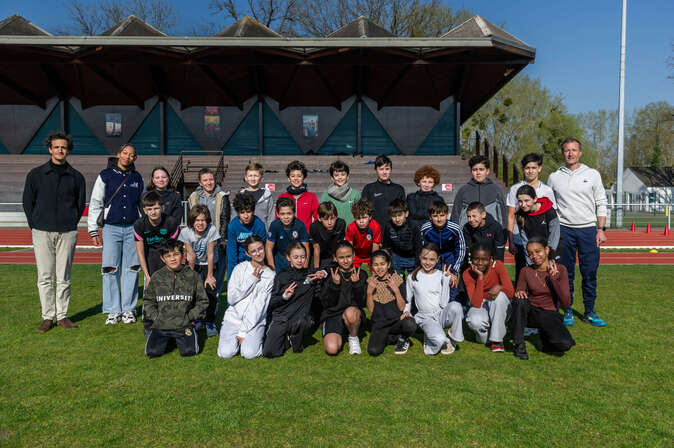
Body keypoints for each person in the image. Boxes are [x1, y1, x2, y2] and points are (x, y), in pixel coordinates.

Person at [23, 131, 86, 332]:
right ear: (50, 149)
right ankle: (48, 316)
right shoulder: (35, 174)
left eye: (63, 147)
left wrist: (70, 221)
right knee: (45, 277)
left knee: (64, 277)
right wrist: (35, 223)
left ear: (68, 150)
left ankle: (62, 316)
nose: (60, 150)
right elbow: (28, 202)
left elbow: (80, 204)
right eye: (56, 147)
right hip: (41, 231)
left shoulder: (77, 177)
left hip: (67, 232)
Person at [547, 137, 608, 327]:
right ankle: (567, 309)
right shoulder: (554, 177)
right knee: (566, 274)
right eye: (567, 150)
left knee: (589, 273)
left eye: (574, 150)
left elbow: (601, 202)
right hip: (564, 230)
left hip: (588, 230)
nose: (570, 153)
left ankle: (589, 311)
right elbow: (549, 205)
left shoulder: (592, 174)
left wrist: (601, 229)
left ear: (580, 153)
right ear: (563, 153)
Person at [88, 144, 144, 325]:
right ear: (119, 154)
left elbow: (142, 205)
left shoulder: (137, 177)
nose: (128, 157)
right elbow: (96, 202)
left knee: (132, 269)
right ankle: (113, 310)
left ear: (135, 158)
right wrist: (93, 230)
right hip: (111, 228)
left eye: (132, 155)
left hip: (132, 229)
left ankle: (128, 309)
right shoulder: (105, 175)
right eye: (125, 153)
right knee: (109, 269)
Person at [512, 236, 576, 360]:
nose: (534, 256)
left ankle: (544, 337)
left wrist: (554, 279)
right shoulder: (525, 271)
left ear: (546, 250)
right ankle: (519, 344)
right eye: (530, 253)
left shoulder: (561, 269)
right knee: (519, 300)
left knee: (565, 344)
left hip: (550, 314)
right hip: (532, 312)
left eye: (538, 251)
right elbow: (519, 290)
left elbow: (566, 302)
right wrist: (520, 291)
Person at [143, 240, 209, 358]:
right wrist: (155, 316)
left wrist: (190, 317)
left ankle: (182, 336)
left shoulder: (193, 275)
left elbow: (203, 301)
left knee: (189, 351)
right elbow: (148, 301)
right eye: (168, 256)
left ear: (183, 255)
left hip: (183, 324)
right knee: (152, 353)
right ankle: (161, 335)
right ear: (163, 259)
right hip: (161, 324)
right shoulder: (157, 276)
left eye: (176, 254)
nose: (173, 259)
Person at [263, 243, 326, 357]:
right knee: (269, 352)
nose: (299, 260)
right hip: (282, 318)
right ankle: (286, 339)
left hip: (301, 318)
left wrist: (323, 275)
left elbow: (330, 268)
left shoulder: (310, 275)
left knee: (304, 321)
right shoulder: (281, 276)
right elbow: (271, 302)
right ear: (288, 257)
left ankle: (296, 335)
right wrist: (284, 296)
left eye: (302, 257)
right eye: (295, 257)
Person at [218, 236, 275, 359]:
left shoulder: (271, 276)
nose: (258, 253)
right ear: (247, 254)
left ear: (264, 248)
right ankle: (234, 342)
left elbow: (260, 306)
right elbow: (231, 298)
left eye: (260, 249)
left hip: (255, 321)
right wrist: (252, 280)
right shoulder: (239, 269)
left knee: (250, 353)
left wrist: (243, 332)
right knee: (226, 353)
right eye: (253, 251)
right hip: (233, 319)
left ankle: (249, 340)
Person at [406, 243, 464, 355]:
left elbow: (443, 304)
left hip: (440, 314)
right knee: (440, 339)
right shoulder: (412, 277)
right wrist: (406, 311)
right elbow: (408, 300)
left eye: (432, 259)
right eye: (425, 258)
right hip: (425, 318)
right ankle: (431, 337)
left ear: (437, 260)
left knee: (456, 306)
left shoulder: (442, 275)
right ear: (420, 257)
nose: (428, 263)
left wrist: (446, 281)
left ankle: (453, 339)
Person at [506, 153, 556, 283]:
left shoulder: (547, 190)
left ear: (539, 168)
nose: (530, 171)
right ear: (523, 169)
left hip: (542, 239)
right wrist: (511, 240)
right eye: (527, 168)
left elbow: (552, 218)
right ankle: (521, 295)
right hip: (520, 238)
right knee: (522, 271)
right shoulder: (514, 189)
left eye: (533, 167)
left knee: (544, 272)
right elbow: (511, 215)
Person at [462, 243, 514, 353]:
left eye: (484, 259)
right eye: (476, 259)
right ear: (471, 259)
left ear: (491, 259)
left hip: (499, 306)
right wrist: (480, 277)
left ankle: (497, 341)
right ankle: (491, 333)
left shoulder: (498, 266)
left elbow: (511, 292)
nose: (480, 263)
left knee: (499, 297)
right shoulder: (467, 274)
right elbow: (476, 303)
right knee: (474, 320)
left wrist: (500, 287)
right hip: (481, 304)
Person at [320, 241, 368, 355]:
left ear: (354, 255)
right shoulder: (330, 275)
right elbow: (327, 304)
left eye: (348, 256)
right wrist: (334, 285)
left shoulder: (361, 274)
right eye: (341, 257)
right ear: (335, 258)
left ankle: (353, 337)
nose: (345, 261)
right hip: (333, 314)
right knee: (331, 349)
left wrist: (357, 285)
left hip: (353, 315)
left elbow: (362, 303)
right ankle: (341, 332)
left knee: (350, 312)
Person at [179, 205, 220, 338]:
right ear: (192, 221)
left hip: (209, 263)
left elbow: (210, 254)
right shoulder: (186, 232)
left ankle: (209, 321)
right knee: (193, 292)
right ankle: (196, 319)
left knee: (210, 290)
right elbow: (191, 255)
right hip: (194, 263)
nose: (200, 223)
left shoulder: (212, 230)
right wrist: (191, 277)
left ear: (207, 221)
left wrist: (209, 275)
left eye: (203, 220)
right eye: (197, 220)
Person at [188, 168, 230, 295]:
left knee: (217, 272)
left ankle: (214, 298)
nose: (208, 182)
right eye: (205, 180)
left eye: (211, 179)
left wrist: (221, 239)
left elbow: (224, 219)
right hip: (199, 241)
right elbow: (191, 219)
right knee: (200, 272)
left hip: (216, 241)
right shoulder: (194, 196)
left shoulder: (222, 196)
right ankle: (200, 298)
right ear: (200, 182)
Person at [366, 251, 417, 356]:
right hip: (379, 324)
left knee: (410, 323)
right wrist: (369, 292)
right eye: (376, 265)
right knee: (373, 351)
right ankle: (393, 338)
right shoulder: (370, 282)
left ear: (388, 265)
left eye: (382, 264)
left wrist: (396, 290)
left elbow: (402, 307)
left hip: (396, 322)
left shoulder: (397, 280)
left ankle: (402, 337)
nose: (379, 268)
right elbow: (371, 309)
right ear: (372, 266)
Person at [418, 201, 466, 302]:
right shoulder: (426, 228)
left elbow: (461, 248)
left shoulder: (455, 228)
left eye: (442, 215)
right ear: (430, 217)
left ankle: (453, 303)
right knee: (434, 280)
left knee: (451, 278)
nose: (439, 219)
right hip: (433, 256)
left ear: (447, 215)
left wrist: (455, 269)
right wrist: (428, 263)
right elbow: (423, 248)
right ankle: (435, 303)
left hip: (449, 255)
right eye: (435, 216)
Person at [134, 191, 180, 286]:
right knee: (152, 285)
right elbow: (140, 252)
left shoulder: (171, 222)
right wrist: (147, 276)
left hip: (166, 253)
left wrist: (172, 269)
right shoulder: (139, 225)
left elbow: (173, 250)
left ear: (162, 208)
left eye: (156, 208)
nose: (153, 212)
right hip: (149, 255)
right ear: (145, 210)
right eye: (149, 209)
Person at [450, 155, 506, 228]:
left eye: (481, 169)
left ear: (487, 171)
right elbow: (455, 214)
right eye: (474, 170)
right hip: (467, 233)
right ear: (471, 171)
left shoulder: (496, 190)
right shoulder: (463, 190)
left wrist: (504, 231)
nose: (478, 172)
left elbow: (503, 215)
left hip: (491, 233)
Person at [515, 185, 560, 264]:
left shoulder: (549, 211)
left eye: (526, 200)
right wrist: (530, 262)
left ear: (535, 199)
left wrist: (549, 258)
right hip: (533, 254)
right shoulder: (520, 215)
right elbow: (525, 241)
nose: (523, 205)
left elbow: (554, 236)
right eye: (520, 201)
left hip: (551, 252)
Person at [227, 192, 267, 280]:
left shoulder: (259, 225)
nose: (246, 216)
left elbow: (263, 248)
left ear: (253, 211)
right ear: (238, 213)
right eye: (242, 212)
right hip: (240, 259)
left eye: (248, 212)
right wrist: (232, 277)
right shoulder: (233, 226)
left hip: (255, 258)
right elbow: (231, 252)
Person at [265, 197, 310, 272]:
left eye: (289, 213)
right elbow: (268, 248)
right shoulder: (274, 225)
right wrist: (272, 269)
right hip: (280, 258)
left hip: (296, 258)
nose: (286, 217)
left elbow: (306, 248)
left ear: (294, 213)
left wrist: (304, 269)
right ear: (277, 214)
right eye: (282, 214)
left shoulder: (300, 225)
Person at [361, 155, 406, 227]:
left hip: (394, 229)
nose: (384, 172)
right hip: (374, 230)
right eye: (381, 169)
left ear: (391, 170)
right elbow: (364, 212)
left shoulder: (399, 189)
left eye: (387, 169)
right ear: (376, 170)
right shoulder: (368, 189)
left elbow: (402, 213)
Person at [277, 160, 319, 232]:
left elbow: (317, 217)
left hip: (306, 235)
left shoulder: (311, 197)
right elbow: (278, 218)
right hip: (287, 234)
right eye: (292, 176)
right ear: (289, 178)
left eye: (299, 176)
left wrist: (312, 232)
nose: (296, 178)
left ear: (304, 178)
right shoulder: (282, 197)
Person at [381, 199, 416, 278]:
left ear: (406, 214)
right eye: (394, 216)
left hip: (412, 257)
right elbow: (386, 245)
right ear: (390, 216)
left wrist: (417, 262)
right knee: (397, 280)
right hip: (397, 257)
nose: (397, 219)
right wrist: (387, 260)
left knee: (412, 279)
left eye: (400, 215)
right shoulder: (388, 226)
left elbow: (418, 246)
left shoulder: (413, 226)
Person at [320, 160, 361, 225]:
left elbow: (360, 215)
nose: (340, 177)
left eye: (343, 174)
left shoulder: (356, 194)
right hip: (333, 230)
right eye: (336, 175)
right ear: (332, 178)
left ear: (347, 176)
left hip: (351, 230)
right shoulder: (326, 196)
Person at [406, 165, 444, 233]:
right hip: (412, 233)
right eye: (424, 181)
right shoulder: (410, 198)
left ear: (434, 183)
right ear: (418, 182)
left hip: (431, 233)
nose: (426, 185)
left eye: (430, 182)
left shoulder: (438, 200)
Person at [345, 198, 381, 269]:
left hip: (370, 255)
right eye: (358, 218)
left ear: (370, 217)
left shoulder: (375, 227)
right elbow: (349, 248)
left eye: (364, 217)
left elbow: (375, 249)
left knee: (377, 270)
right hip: (355, 255)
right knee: (352, 273)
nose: (361, 221)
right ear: (354, 217)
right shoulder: (351, 228)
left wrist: (375, 263)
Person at [310, 201, 346, 268]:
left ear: (336, 216)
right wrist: (316, 269)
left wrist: (336, 258)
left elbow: (339, 243)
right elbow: (316, 248)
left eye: (332, 218)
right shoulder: (314, 227)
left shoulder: (341, 224)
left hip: (332, 254)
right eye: (326, 219)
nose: (330, 223)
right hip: (318, 255)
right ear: (319, 218)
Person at [239, 162, 275, 230]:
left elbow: (271, 217)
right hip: (245, 232)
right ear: (246, 178)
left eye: (256, 176)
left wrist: (270, 233)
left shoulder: (267, 195)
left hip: (263, 232)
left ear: (261, 178)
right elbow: (237, 217)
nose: (253, 179)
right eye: (250, 176)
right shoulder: (241, 195)